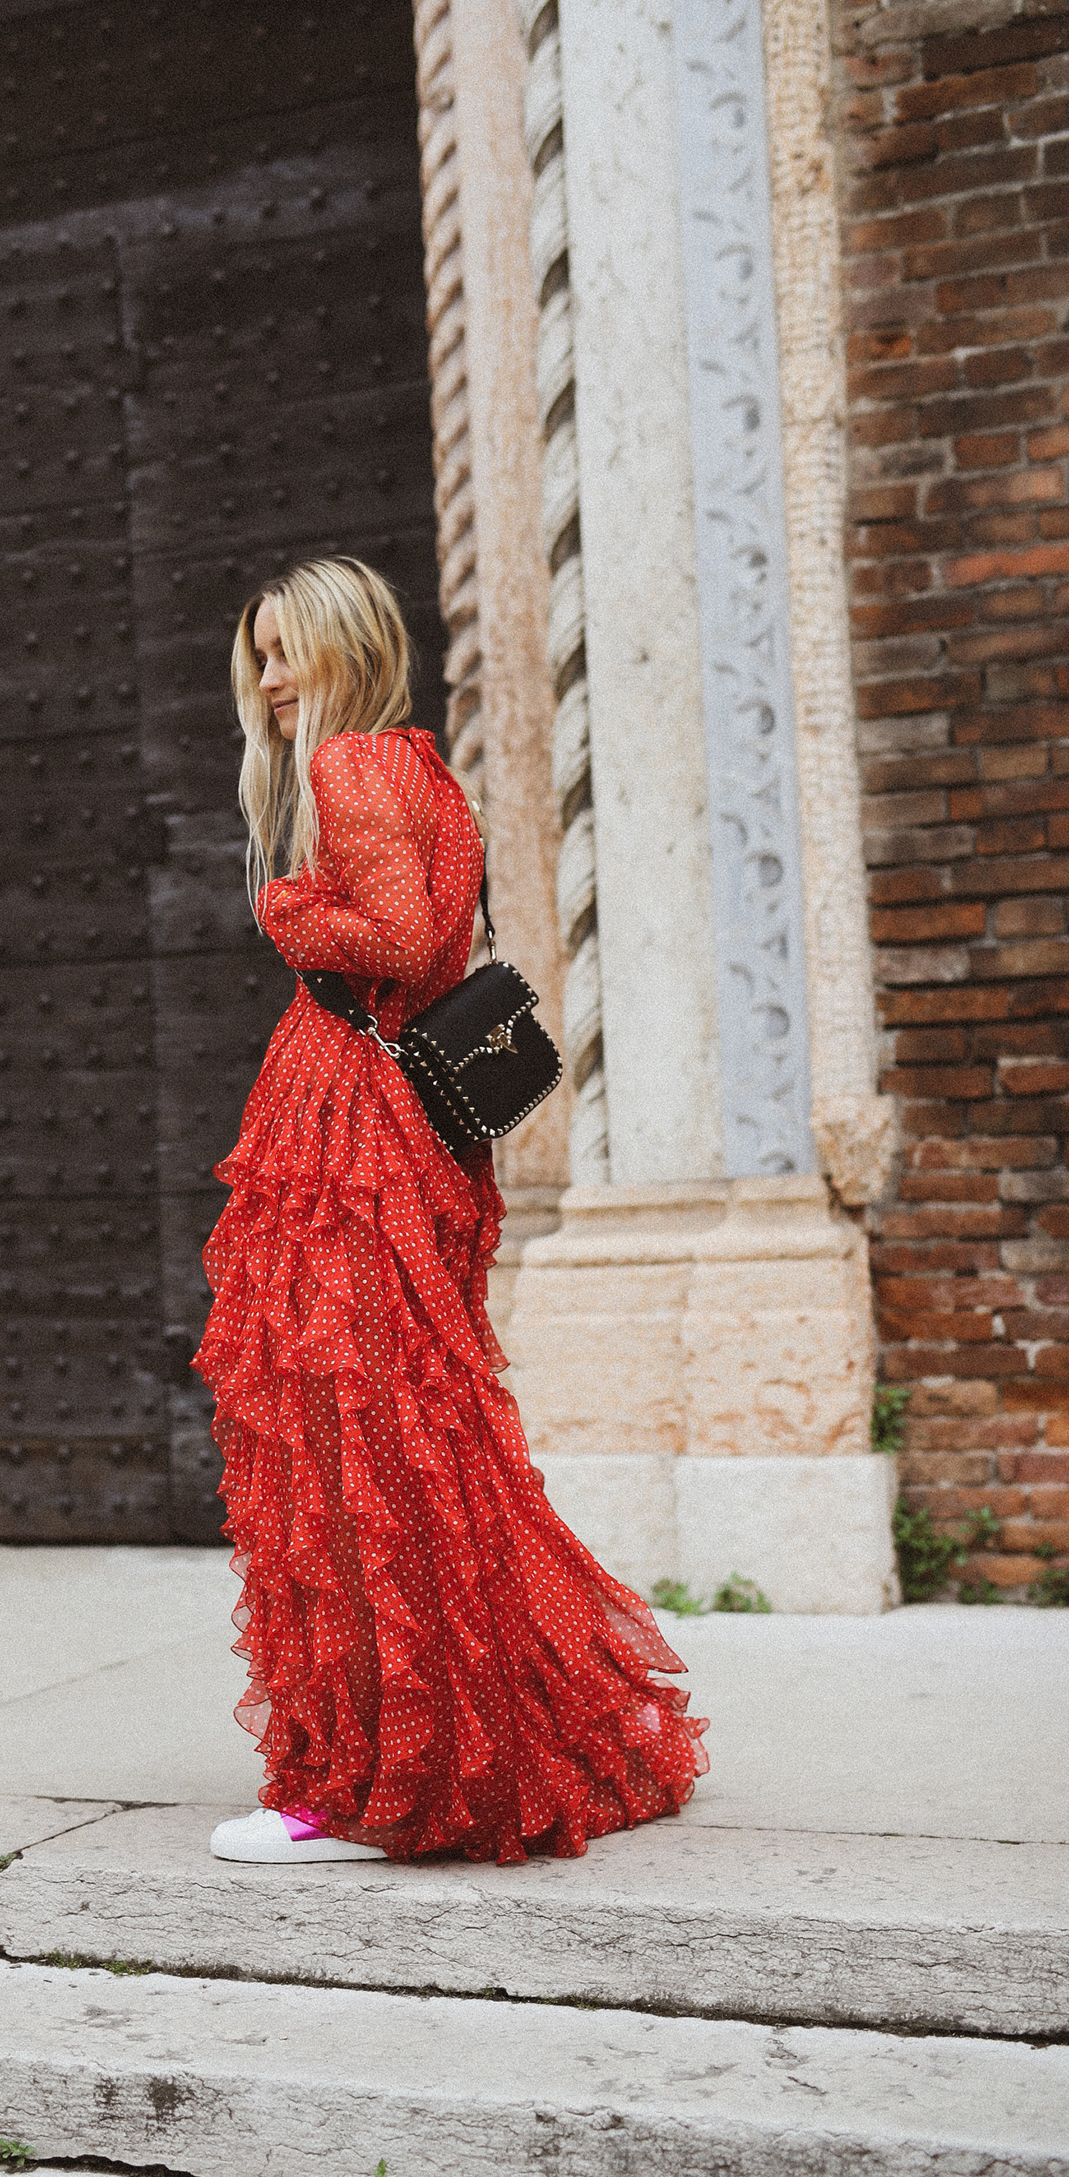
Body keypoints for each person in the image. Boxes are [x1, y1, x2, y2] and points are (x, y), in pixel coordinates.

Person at [194, 557, 707, 1866]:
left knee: (346, 1440)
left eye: (283, 655)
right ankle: (498, 1729)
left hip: (354, 1126)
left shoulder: (350, 769)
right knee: (413, 1438)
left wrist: (282, 901)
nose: (266, 682)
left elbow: (402, 928)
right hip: (392, 1123)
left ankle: (367, 1776)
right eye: (258, 657)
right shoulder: (417, 768)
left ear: (341, 650)